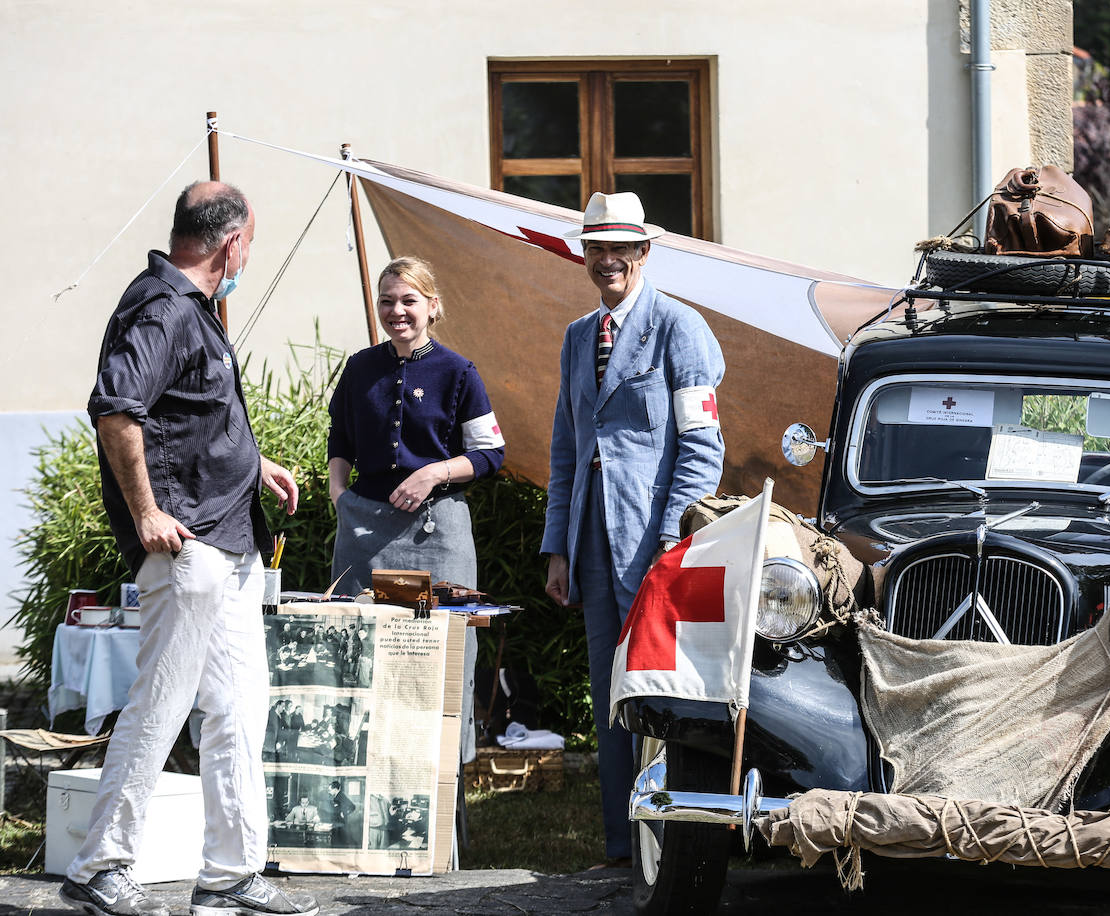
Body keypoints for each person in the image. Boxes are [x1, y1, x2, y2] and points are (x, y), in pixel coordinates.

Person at [62, 181, 316, 916]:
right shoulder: (164, 307)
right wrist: (146, 513)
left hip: (228, 543)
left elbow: (192, 415)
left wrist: (254, 461)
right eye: (250, 246)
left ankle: (231, 874)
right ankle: (100, 865)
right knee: (161, 704)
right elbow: (116, 410)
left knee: (240, 710)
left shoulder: (191, 308)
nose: (248, 259)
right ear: (232, 243)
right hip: (189, 546)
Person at [541, 191, 725, 864]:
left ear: (646, 252)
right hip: (592, 540)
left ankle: (675, 847)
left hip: (657, 542)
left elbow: (702, 448)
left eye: (622, 247)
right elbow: (567, 445)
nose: (609, 260)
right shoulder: (576, 337)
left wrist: (674, 541)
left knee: (663, 689)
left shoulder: (681, 327)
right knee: (609, 688)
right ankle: (621, 844)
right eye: (597, 248)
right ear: (583, 254)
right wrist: (557, 543)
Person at [328, 256, 504, 766]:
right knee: (361, 651)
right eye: (387, 301)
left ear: (432, 306)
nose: (397, 311)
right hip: (364, 536)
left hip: (438, 536)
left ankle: (442, 780)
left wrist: (433, 473)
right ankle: (361, 772)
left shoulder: (458, 372)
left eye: (408, 300)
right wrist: (340, 495)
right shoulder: (360, 368)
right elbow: (340, 438)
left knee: (439, 656)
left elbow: (491, 453)